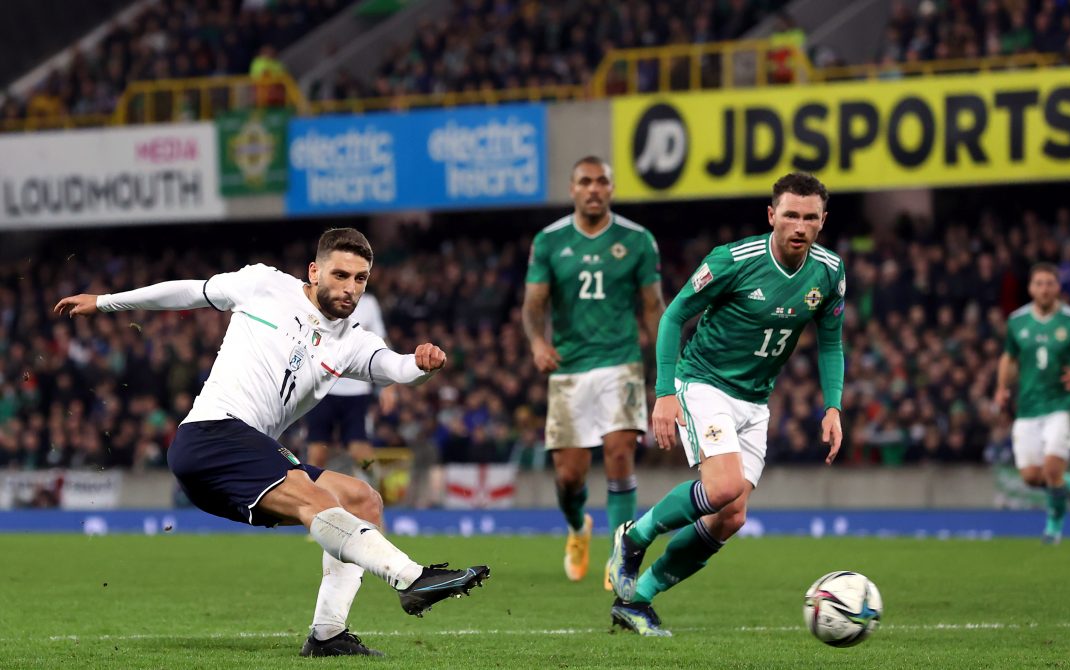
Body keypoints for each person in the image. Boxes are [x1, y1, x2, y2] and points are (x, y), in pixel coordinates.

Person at [54, 228, 489, 657]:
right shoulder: (264, 284)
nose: (350, 289)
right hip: (210, 434)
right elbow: (189, 291)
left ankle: (327, 635)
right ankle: (411, 579)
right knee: (313, 495)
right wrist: (106, 302)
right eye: (340, 275)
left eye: (360, 280)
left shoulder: (353, 342)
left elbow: (395, 368)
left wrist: (423, 364)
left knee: (362, 500)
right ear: (314, 271)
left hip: (245, 457)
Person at [607, 172, 845, 636]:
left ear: (823, 221)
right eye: (791, 215)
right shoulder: (733, 260)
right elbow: (674, 314)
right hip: (703, 382)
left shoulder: (830, 271)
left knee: (731, 516)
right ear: (772, 215)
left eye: (810, 217)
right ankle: (634, 537)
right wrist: (664, 394)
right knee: (721, 487)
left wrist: (833, 406)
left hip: (755, 400)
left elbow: (831, 342)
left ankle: (637, 601)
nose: (800, 225)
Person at [523, 156, 665, 589]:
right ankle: (577, 526)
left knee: (620, 454)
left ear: (612, 189)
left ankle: (621, 554)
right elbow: (533, 306)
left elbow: (653, 308)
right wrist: (537, 343)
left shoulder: (638, 240)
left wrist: (667, 374)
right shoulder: (549, 241)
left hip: (621, 362)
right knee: (569, 477)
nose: (594, 189)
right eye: (585, 181)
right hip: (569, 370)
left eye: (602, 181)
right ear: (573, 189)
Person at [993, 263, 1070, 544]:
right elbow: (1009, 357)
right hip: (1028, 406)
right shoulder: (1017, 321)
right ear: (1031, 288)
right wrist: (1001, 387)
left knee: (1052, 469)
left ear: (1058, 288)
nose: (1044, 289)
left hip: (1062, 404)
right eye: (1039, 283)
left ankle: (1053, 527)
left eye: (1050, 283)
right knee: (1032, 477)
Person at [305, 290, 399, 478]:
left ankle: (374, 482)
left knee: (359, 449)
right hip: (322, 387)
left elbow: (381, 343)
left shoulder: (368, 303)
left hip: (357, 390)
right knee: (318, 451)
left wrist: (389, 386)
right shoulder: (320, 296)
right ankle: (311, 497)